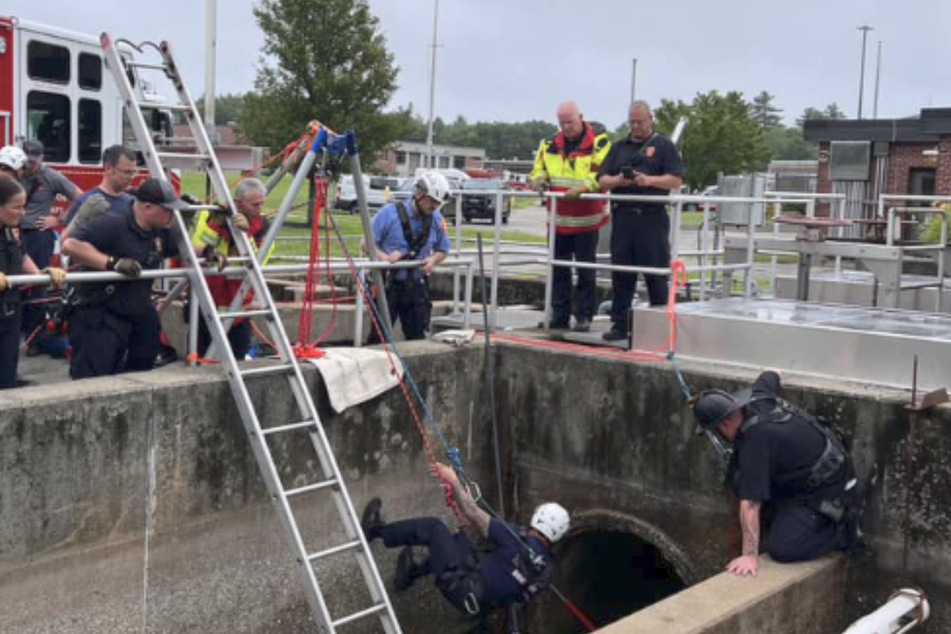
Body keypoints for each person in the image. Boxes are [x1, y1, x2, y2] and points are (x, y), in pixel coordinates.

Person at [691, 370, 857, 577]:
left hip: (828, 490)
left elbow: (751, 503)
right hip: (811, 472)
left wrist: (749, 555)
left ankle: (839, 533)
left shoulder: (756, 441)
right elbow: (771, 376)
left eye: (715, 431)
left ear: (723, 425)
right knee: (739, 478)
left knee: (782, 548)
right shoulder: (758, 396)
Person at [361, 462, 570, 618]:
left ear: (538, 519)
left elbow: (474, 513)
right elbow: (515, 591)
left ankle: (374, 530)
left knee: (435, 528)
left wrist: (453, 480)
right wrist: (464, 524)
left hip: (462, 586)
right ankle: (409, 574)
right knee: (458, 540)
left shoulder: (518, 539)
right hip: (477, 603)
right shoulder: (547, 569)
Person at [61, 178, 185, 379]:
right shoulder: (114, 222)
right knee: (94, 379)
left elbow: (183, 251)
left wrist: (209, 251)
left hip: (137, 311)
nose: (173, 215)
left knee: (142, 372)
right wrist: (112, 263)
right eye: (168, 210)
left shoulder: (162, 230)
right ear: (147, 207)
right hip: (101, 312)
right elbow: (70, 246)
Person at [597, 101, 684, 341]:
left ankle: (661, 327)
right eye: (632, 122)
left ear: (650, 119)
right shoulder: (618, 147)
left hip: (652, 218)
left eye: (640, 121)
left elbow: (676, 180)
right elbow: (602, 180)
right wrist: (618, 181)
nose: (636, 126)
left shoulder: (664, 146)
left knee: (655, 274)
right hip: (623, 218)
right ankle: (620, 324)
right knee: (622, 274)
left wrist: (649, 181)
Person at [529, 102, 611, 332]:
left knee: (586, 271)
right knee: (558, 270)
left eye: (570, 123)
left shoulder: (599, 143)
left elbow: (603, 175)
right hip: (558, 220)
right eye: (562, 123)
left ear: (581, 118)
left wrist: (584, 189)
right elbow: (538, 169)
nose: (566, 127)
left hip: (587, 220)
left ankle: (584, 316)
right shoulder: (548, 144)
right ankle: (560, 315)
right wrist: (538, 180)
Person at [368, 170, 451, 341]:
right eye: (431, 201)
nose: (434, 206)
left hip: (417, 287)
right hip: (389, 285)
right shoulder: (388, 213)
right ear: (419, 194)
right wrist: (385, 258)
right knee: (379, 338)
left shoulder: (436, 219)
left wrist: (433, 259)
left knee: (417, 337)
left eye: (437, 203)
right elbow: (365, 243)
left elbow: (443, 249)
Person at [0, 174, 66, 388]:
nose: (22, 213)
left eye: (23, 206)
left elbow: (21, 254)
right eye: (16, 207)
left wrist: (41, 276)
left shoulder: (9, 231)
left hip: (9, 307)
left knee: (7, 369)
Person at [190, 178, 266, 360]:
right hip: (207, 300)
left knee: (237, 358)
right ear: (239, 203)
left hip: (239, 304)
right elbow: (197, 250)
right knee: (201, 358)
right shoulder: (210, 217)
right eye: (255, 204)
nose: (260, 209)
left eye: (262, 204)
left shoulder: (263, 227)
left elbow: (257, 261)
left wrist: (245, 234)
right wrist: (217, 226)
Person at [18, 140, 82, 354]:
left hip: (38, 236)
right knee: (13, 287)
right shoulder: (14, 174)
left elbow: (81, 199)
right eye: (27, 162)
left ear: (42, 159)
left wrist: (59, 220)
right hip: (15, 235)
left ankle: (36, 339)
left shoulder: (51, 176)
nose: (29, 166)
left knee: (37, 287)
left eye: (33, 162)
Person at [62, 145, 138, 237]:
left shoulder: (134, 204)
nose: (131, 178)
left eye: (134, 172)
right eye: (127, 172)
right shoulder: (86, 202)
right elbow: (66, 243)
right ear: (108, 168)